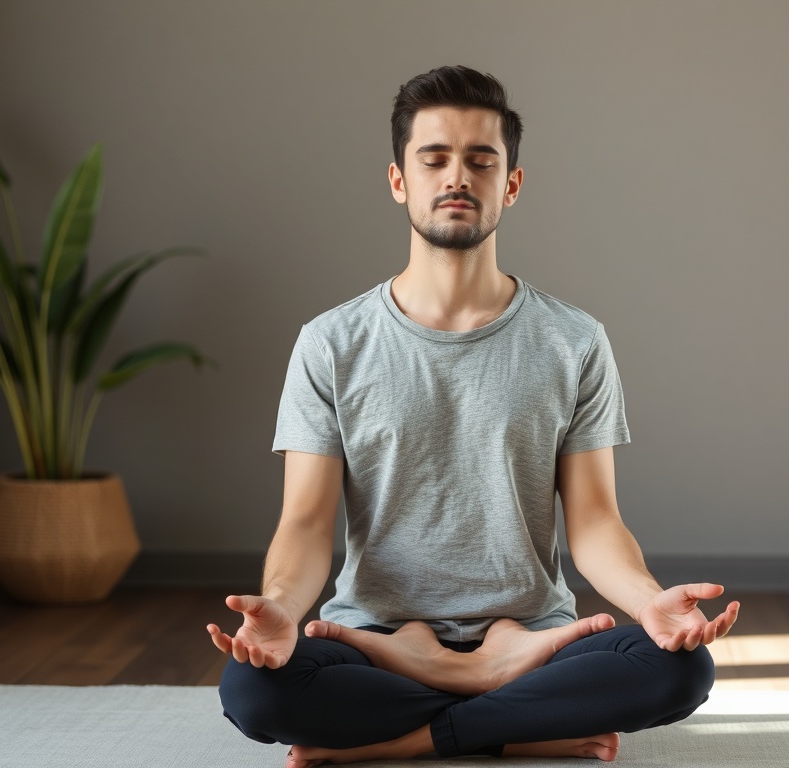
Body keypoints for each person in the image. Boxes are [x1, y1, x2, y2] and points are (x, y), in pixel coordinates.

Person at [208, 65, 740, 766]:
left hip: (533, 642)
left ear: (510, 185)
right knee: (256, 692)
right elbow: (305, 523)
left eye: (480, 160)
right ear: (399, 180)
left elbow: (595, 523)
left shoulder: (573, 339)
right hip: (376, 642)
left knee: (679, 668)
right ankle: (507, 720)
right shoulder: (331, 343)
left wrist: (649, 603)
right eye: (434, 158)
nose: (456, 175)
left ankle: (397, 741)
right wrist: (279, 604)